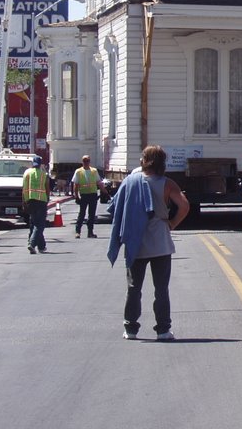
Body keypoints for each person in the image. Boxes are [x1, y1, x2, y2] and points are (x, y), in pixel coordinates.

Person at [107, 145, 190, 341]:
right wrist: (171, 224)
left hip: (136, 241)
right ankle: (163, 330)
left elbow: (115, 207)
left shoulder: (130, 182)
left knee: (134, 287)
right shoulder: (168, 184)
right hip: (160, 240)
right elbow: (184, 206)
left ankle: (131, 328)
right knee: (161, 288)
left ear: (144, 160)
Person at [22, 156, 50, 254]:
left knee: (34, 224)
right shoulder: (44, 174)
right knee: (40, 225)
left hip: (30, 200)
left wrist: (24, 202)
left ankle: (41, 247)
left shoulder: (27, 173)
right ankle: (32, 244)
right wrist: (48, 199)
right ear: (40, 164)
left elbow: (23, 188)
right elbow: (47, 189)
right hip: (41, 201)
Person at [73, 155, 105, 238]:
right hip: (84, 195)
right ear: (82, 161)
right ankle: (78, 232)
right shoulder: (78, 171)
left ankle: (90, 232)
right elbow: (76, 185)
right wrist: (76, 196)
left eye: (87, 161)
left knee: (91, 215)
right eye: (84, 161)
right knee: (82, 214)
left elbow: (99, 182)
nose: (86, 162)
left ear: (89, 161)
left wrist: (105, 192)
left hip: (93, 195)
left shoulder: (94, 171)